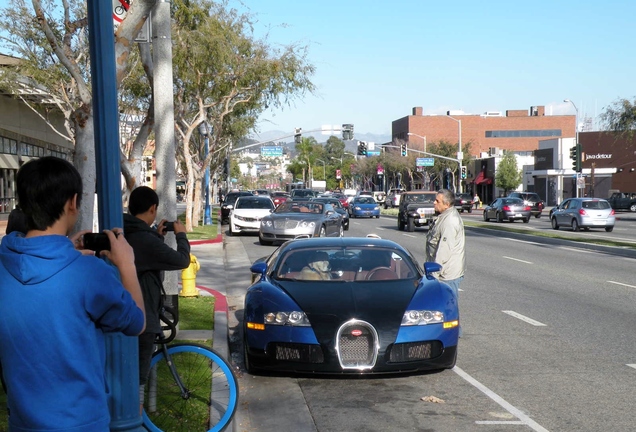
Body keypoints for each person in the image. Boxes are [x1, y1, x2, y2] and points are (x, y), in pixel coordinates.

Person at [0, 156, 145, 431]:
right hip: (81, 423)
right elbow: (137, 322)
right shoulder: (88, 272)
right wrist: (127, 265)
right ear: (73, 202)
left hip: (21, 422)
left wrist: (64, 248)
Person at [123, 186, 191, 412]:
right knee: (137, 383)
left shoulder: (125, 233)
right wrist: (181, 235)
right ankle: (136, 421)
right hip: (142, 317)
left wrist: (158, 237)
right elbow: (181, 261)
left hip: (124, 314)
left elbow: (148, 259)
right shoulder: (144, 239)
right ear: (153, 208)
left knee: (127, 379)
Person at [426, 189, 466, 301]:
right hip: (443, 272)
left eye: (437, 201)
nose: (434, 202)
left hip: (447, 275)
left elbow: (444, 250)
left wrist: (434, 274)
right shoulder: (444, 216)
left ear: (447, 204)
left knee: (447, 307)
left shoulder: (450, 221)